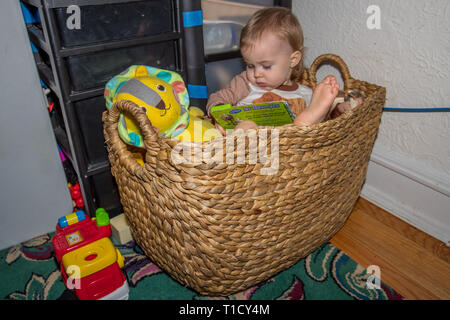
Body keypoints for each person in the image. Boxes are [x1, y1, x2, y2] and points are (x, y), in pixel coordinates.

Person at [206, 7, 357, 135]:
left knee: (314, 127)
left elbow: (327, 126)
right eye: (250, 65)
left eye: (266, 66)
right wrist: (220, 115)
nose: (257, 74)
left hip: (288, 150)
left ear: (293, 60)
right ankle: (302, 124)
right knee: (248, 127)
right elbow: (218, 97)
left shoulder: (306, 94)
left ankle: (305, 123)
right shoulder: (245, 83)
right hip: (250, 146)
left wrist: (339, 111)